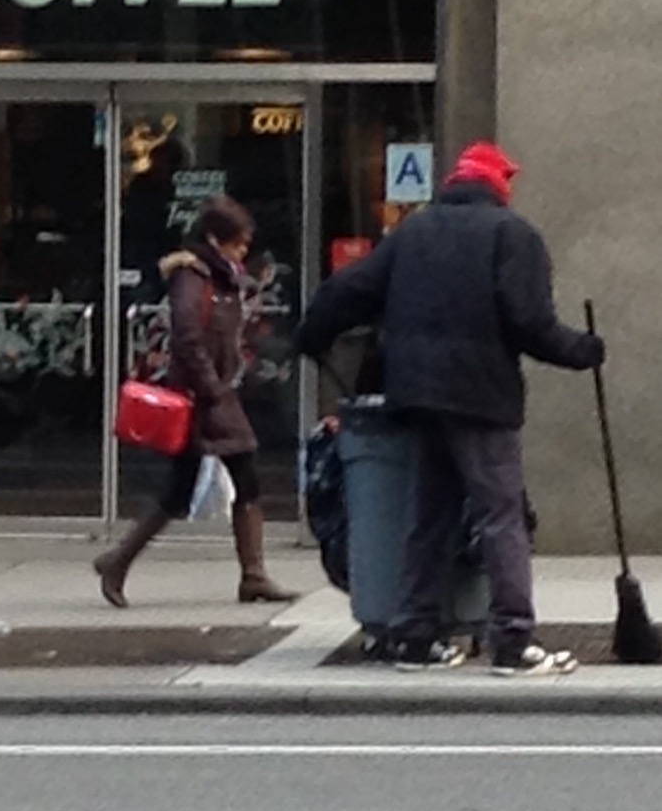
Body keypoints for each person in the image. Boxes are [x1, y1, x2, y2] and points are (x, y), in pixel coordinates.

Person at [293, 141, 604, 677]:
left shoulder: (413, 232)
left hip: (416, 395)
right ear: (499, 186)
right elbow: (531, 323)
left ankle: (413, 636)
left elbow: (353, 289)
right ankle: (512, 641)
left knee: (429, 515)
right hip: (481, 396)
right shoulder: (513, 236)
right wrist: (584, 350)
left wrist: (311, 332)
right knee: (500, 515)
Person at [94, 196, 299, 609]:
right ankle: (122, 563)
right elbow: (187, 334)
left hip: (212, 393)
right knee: (217, 481)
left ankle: (122, 561)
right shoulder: (193, 276)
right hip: (202, 397)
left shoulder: (220, 276)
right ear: (214, 239)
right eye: (237, 244)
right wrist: (212, 386)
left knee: (203, 483)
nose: (242, 251)